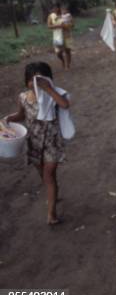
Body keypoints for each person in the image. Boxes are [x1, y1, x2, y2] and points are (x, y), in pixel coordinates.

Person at [3, 61, 70, 225]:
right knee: (45, 177)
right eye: (32, 81)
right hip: (34, 143)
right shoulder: (23, 97)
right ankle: (52, 191)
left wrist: (48, 89)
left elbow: (65, 105)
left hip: (52, 142)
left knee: (49, 175)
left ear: (48, 80)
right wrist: (10, 118)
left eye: (40, 80)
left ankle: (51, 214)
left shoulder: (53, 96)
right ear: (26, 81)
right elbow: (21, 115)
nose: (36, 84)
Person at [47, 4, 67, 69]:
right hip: (56, 36)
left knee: (66, 49)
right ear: (52, 9)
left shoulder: (63, 15)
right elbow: (49, 26)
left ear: (58, 8)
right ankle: (62, 60)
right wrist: (58, 26)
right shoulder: (51, 16)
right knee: (58, 52)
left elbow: (68, 24)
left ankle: (67, 64)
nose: (55, 9)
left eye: (56, 8)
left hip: (64, 34)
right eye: (54, 8)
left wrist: (66, 26)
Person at [60, 5, 74, 69]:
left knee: (68, 50)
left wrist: (67, 26)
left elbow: (72, 24)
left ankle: (68, 64)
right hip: (60, 36)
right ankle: (64, 62)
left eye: (64, 10)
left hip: (68, 35)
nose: (63, 11)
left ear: (67, 10)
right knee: (61, 50)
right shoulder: (59, 16)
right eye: (62, 10)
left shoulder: (69, 15)